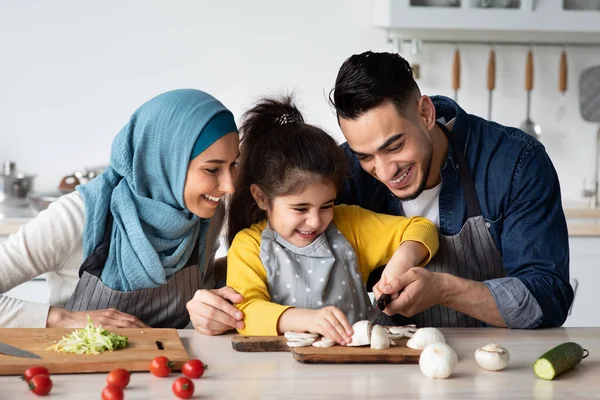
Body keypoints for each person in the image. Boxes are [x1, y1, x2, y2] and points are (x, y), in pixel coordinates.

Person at [328, 51, 573, 329]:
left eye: (394, 147)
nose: (385, 172)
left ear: (426, 113)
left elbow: (548, 299)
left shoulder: (515, 162)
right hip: (387, 363)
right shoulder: (344, 172)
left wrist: (444, 290)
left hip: (499, 360)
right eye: (365, 157)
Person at [0, 89, 245, 332]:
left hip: (172, 367)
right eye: (212, 169)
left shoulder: (204, 214)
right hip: (78, 368)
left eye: (233, 164)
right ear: (165, 161)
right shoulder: (78, 216)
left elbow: (202, 286)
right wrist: (61, 319)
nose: (229, 186)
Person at [225, 96, 439, 345]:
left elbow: (422, 228)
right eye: (300, 208)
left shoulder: (348, 224)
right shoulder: (249, 246)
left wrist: (403, 260)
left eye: (326, 205)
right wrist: (308, 320)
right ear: (262, 197)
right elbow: (244, 314)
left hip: (361, 370)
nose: (315, 221)